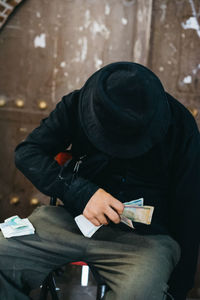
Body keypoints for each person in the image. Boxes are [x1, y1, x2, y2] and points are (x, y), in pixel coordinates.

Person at [0, 61, 199, 300]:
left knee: (141, 294)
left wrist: (180, 288)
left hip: (145, 241)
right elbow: (28, 152)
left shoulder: (181, 126)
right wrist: (82, 193)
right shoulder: (81, 103)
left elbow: (190, 208)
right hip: (70, 222)